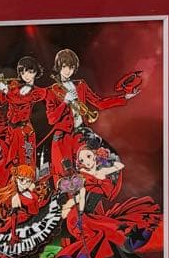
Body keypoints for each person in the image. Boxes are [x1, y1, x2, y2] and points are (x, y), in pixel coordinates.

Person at [54, 146, 161, 258]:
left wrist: (104, 160)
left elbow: (119, 165)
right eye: (81, 160)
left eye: (88, 157)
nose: (85, 162)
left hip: (96, 216)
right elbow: (80, 197)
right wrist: (76, 213)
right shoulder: (81, 177)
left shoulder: (101, 173)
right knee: (100, 243)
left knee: (96, 253)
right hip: (82, 217)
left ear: (95, 156)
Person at [45, 48, 139, 178]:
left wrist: (124, 98)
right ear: (58, 66)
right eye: (64, 66)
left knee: (105, 163)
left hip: (82, 133)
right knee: (68, 175)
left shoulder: (81, 85)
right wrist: (65, 101)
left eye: (71, 67)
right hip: (63, 137)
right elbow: (51, 119)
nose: (68, 71)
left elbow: (99, 103)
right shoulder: (52, 91)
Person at [0, 56, 47, 182]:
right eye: (23, 72)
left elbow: (20, 100)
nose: (26, 75)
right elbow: (1, 102)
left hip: (24, 130)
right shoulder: (15, 88)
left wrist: (6, 89)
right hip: (11, 130)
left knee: (26, 160)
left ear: (36, 72)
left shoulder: (38, 91)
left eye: (30, 72)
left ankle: (26, 187)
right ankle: (1, 185)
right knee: (6, 158)